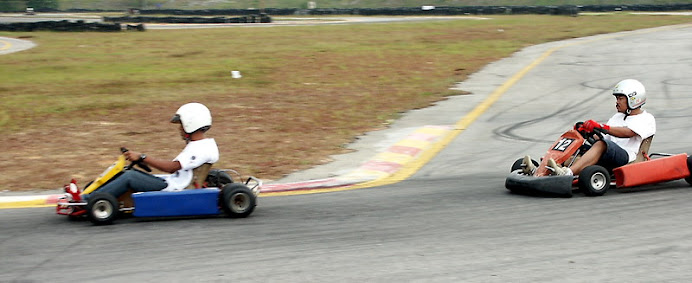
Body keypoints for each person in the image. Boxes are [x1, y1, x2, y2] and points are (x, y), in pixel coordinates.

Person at [84, 102, 219, 200]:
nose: (180, 129)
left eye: (181, 125)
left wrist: (143, 157)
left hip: (176, 187)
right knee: (126, 172)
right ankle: (94, 193)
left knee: (130, 177)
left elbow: (172, 168)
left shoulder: (201, 148)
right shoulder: (199, 145)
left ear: (191, 124)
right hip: (173, 182)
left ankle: (91, 200)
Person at [522, 79, 656, 176]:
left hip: (627, 158)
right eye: (617, 98)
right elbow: (604, 136)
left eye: (621, 98)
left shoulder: (646, 118)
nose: (617, 102)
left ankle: (567, 173)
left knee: (601, 144)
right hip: (608, 152)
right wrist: (587, 132)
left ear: (634, 99)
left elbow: (628, 133)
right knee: (579, 143)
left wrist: (601, 126)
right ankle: (542, 170)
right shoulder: (618, 117)